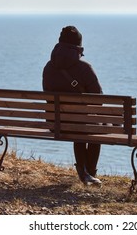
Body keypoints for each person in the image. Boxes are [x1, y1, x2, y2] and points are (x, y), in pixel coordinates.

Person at [42, 26, 102, 186]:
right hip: (80, 124)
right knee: (93, 127)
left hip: (56, 124)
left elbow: (47, 94)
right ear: (78, 47)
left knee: (80, 125)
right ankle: (88, 172)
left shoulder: (48, 67)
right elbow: (99, 98)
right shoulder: (84, 68)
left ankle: (85, 173)